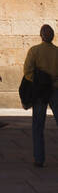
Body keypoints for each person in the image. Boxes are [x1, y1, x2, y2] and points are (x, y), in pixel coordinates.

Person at [23, 24, 58, 167]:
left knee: (38, 126)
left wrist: (38, 82)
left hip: (39, 92)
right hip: (55, 90)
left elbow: (27, 72)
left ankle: (39, 159)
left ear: (41, 36)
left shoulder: (34, 50)